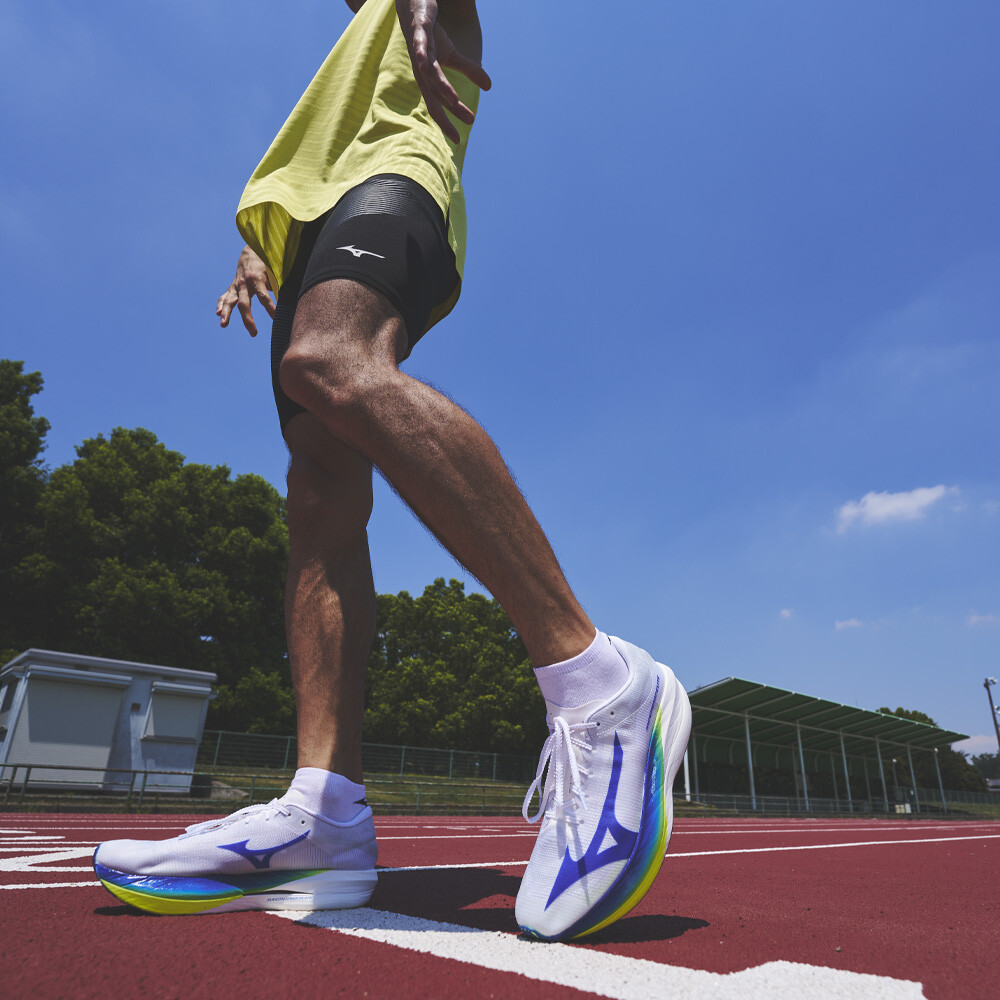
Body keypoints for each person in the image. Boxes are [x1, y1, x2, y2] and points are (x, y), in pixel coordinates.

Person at [93, 0, 691, 941]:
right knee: (318, 484)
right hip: (312, 220)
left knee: (332, 360)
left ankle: (599, 682)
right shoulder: (342, 53)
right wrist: (263, 249)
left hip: (396, 175)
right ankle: (324, 810)